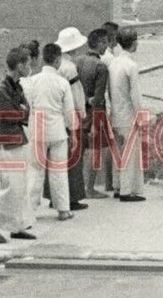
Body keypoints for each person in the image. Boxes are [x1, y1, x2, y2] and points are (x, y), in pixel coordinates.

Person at [0, 46, 37, 243]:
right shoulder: (1, 88)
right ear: (20, 65)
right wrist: (21, 110)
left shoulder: (16, 86)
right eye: (28, 64)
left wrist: (22, 111)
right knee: (11, 186)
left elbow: (25, 112)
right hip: (5, 142)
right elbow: (11, 115)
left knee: (20, 185)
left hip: (14, 139)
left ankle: (17, 226)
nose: (30, 67)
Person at [24, 43, 75, 221]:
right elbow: (69, 112)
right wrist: (73, 132)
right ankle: (63, 209)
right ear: (58, 59)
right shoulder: (62, 83)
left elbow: (28, 105)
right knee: (59, 171)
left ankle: (30, 209)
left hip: (37, 128)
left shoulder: (32, 81)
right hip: (57, 130)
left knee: (35, 170)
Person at [106, 25, 146, 202]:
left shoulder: (113, 62)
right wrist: (141, 116)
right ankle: (127, 190)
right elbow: (135, 95)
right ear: (134, 43)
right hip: (128, 115)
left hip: (115, 113)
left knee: (119, 152)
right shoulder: (131, 65)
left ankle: (118, 186)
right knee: (130, 154)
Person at [55, 26, 91, 211]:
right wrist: (82, 113)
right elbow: (77, 94)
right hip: (70, 114)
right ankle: (72, 197)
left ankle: (56, 197)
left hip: (56, 114)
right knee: (74, 157)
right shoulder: (70, 68)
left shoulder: (58, 65)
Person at [75, 28, 111, 199]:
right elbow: (98, 98)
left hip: (78, 112)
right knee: (96, 150)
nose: (107, 46)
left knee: (80, 151)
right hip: (95, 114)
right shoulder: (101, 67)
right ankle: (90, 188)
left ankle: (79, 187)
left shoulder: (78, 61)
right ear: (101, 43)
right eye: (106, 42)